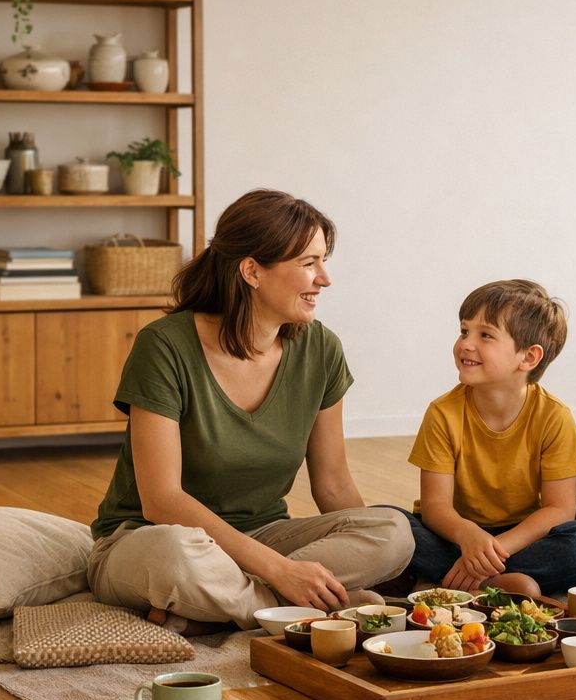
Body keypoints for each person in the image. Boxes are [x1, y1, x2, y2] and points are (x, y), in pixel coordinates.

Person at [87, 189, 414, 632]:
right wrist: (280, 572)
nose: (325, 279)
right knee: (175, 556)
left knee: (393, 531)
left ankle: (221, 611)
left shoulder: (321, 349)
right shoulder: (164, 346)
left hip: (264, 535)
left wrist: (371, 554)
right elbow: (162, 501)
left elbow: (334, 487)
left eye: (323, 261)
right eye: (308, 263)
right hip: (148, 538)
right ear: (251, 271)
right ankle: (295, 607)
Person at [386, 279, 576, 598]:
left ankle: (461, 580)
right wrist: (470, 539)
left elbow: (559, 510)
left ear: (528, 358)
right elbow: (435, 506)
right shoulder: (442, 413)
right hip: (453, 535)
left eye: (485, 335)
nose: (466, 344)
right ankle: (495, 584)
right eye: (464, 331)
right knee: (389, 521)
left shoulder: (554, 416)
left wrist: (493, 551)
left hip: (517, 540)